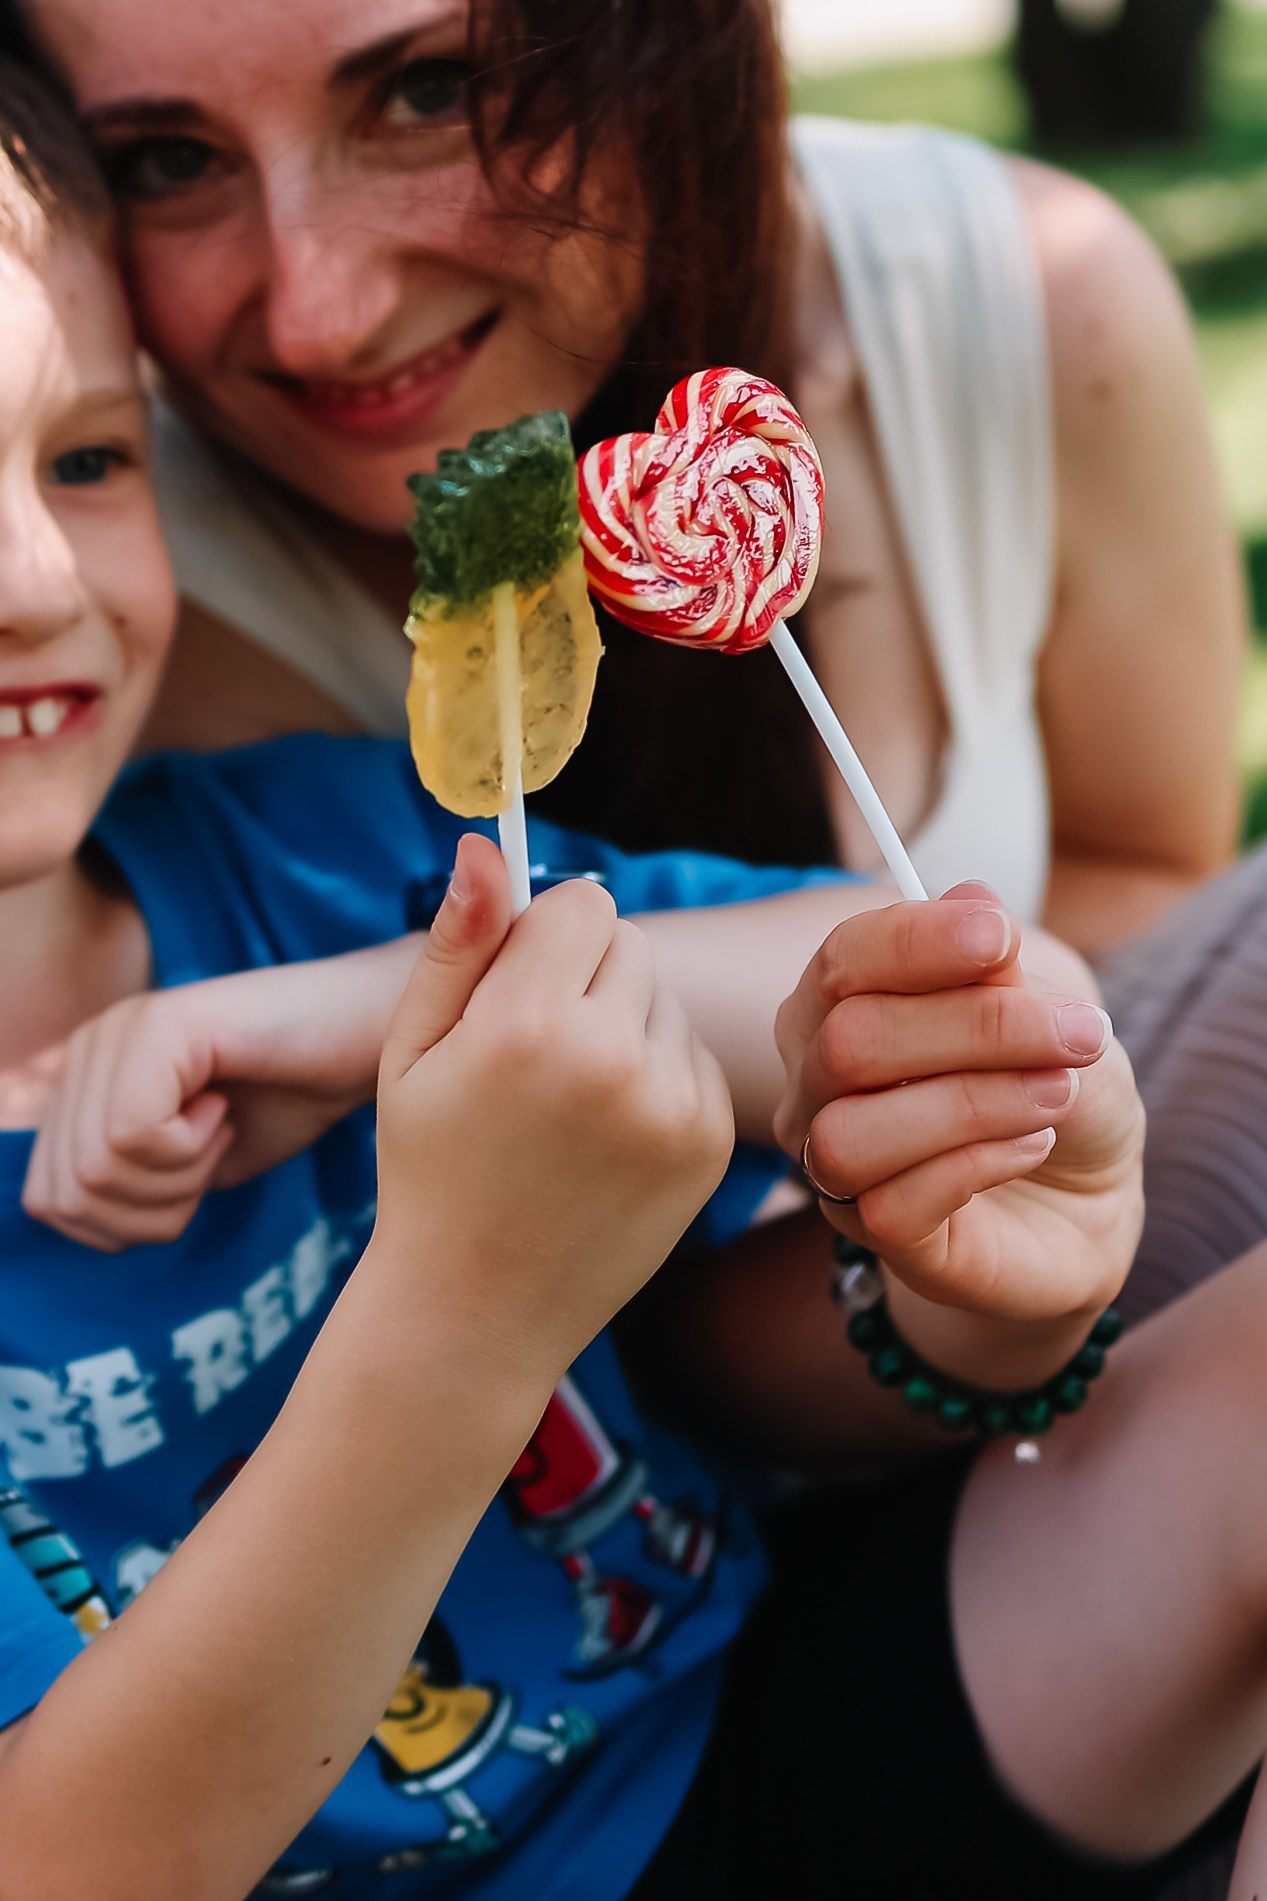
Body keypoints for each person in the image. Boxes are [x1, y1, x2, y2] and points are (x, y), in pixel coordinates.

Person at [0, 64, 1153, 1897]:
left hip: (745, 1711)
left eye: (85, 457)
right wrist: (466, 1305)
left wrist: (339, 1012)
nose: (37, 577)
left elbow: (909, 976)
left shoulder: (302, 850)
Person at [0, 0, 1244, 958]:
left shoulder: (1029, 300)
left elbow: (1147, 887)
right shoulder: (98, 598)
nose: (321, 318)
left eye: (430, 90)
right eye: (167, 159)